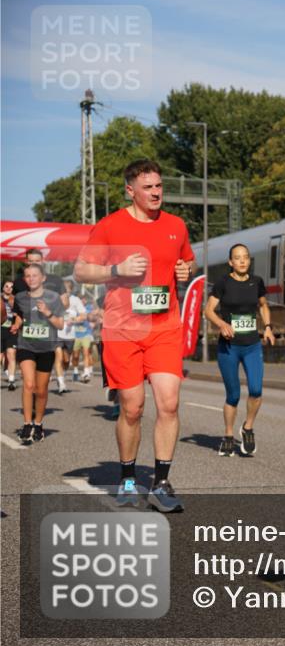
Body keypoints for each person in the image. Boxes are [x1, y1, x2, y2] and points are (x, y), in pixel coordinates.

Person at [74, 159, 195, 512]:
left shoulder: (175, 225)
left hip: (164, 328)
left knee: (169, 403)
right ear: (131, 190)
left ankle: (161, 483)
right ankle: (127, 478)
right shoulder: (110, 226)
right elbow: (81, 270)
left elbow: (187, 262)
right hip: (123, 330)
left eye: (159, 186)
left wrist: (187, 269)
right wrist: (117, 269)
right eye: (148, 187)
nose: (156, 193)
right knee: (132, 407)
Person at [205, 243, 274, 457]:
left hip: (252, 345)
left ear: (249, 260)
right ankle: (228, 436)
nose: (242, 261)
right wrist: (221, 324)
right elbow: (208, 310)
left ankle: (248, 428)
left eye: (245, 257)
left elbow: (263, 305)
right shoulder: (223, 283)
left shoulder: (257, 282)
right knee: (233, 395)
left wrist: (268, 327)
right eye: (237, 257)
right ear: (231, 262)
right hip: (229, 347)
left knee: (256, 390)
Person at [9, 264, 65, 444]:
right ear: (24, 279)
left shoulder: (53, 298)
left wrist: (48, 313)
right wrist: (17, 325)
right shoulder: (20, 297)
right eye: (28, 276)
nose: (31, 278)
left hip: (46, 348)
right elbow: (19, 316)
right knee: (29, 384)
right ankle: (27, 424)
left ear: (43, 278)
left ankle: (38, 424)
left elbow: (60, 325)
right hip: (26, 346)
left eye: (34, 275)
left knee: (41, 391)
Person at [53, 280, 84, 395]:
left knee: (66, 360)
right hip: (57, 333)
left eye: (67, 290)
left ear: (71, 290)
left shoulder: (76, 300)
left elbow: (83, 315)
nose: (64, 292)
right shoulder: (56, 299)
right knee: (59, 357)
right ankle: (61, 383)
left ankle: (62, 375)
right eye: (63, 289)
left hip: (70, 335)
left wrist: (74, 320)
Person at [71, 293, 96, 383]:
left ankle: (86, 372)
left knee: (86, 352)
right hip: (76, 335)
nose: (83, 301)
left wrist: (93, 322)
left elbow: (94, 317)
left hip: (86, 334)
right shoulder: (74, 309)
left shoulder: (89, 308)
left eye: (84, 299)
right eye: (81, 299)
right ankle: (75, 370)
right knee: (75, 356)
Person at [2, 280, 16, 391]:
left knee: (11, 354)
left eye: (11, 287)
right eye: (6, 286)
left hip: (11, 330)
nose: (8, 288)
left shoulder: (16, 300)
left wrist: (16, 313)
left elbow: (22, 314)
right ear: (3, 288)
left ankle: (11, 381)